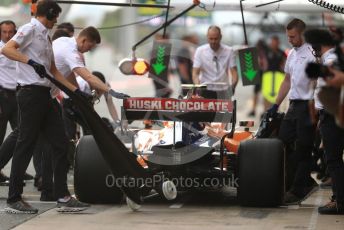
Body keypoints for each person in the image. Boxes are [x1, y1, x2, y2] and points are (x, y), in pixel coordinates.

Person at [1, 0, 89, 214]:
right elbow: (7, 49)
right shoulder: (29, 29)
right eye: (55, 16)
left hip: (46, 96)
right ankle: (14, 199)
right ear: (48, 13)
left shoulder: (46, 37)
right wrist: (29, 62)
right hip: (31, 94)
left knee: (60, 144)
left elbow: (53, 72)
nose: (57, 20)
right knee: (26, 144)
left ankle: (62, 197)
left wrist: (75, 92)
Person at [267, 18, 318, 205]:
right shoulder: (291, 54)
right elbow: (287, 81)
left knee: (304, 148)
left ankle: (298, 190)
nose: (289, 39)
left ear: (302, 34)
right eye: (288, 36)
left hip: (308, 106)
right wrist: (275, 104)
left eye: (293, 36)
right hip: (293, 105)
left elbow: (316, 84)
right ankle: (299, 181)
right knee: (281, 143)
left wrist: (316, 111)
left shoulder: (313, 54)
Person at [305, 28, 344, 214]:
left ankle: (339, 201)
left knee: (334, 160)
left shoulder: (330, 61)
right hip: (329, 115)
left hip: (332, 115)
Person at [0, 20, 34, 185]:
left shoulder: (19, 49)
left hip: (18, 96)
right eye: (4, 32)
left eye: (10, 32)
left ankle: (18, 172)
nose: (7, 35)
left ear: (15, 33)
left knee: (21, 136)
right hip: (2, 96)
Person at [192, 25, 238, 99]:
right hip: (205, 90)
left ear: (220, 37)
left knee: (224, 110)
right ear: (207, 37)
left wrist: (232, 86)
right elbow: (195, 72)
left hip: (223, 90)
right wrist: (198, 86)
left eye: (216, 39)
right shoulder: (200, 51)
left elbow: (234, 72)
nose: (213, 42)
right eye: (211, 39)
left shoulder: (229, 51)